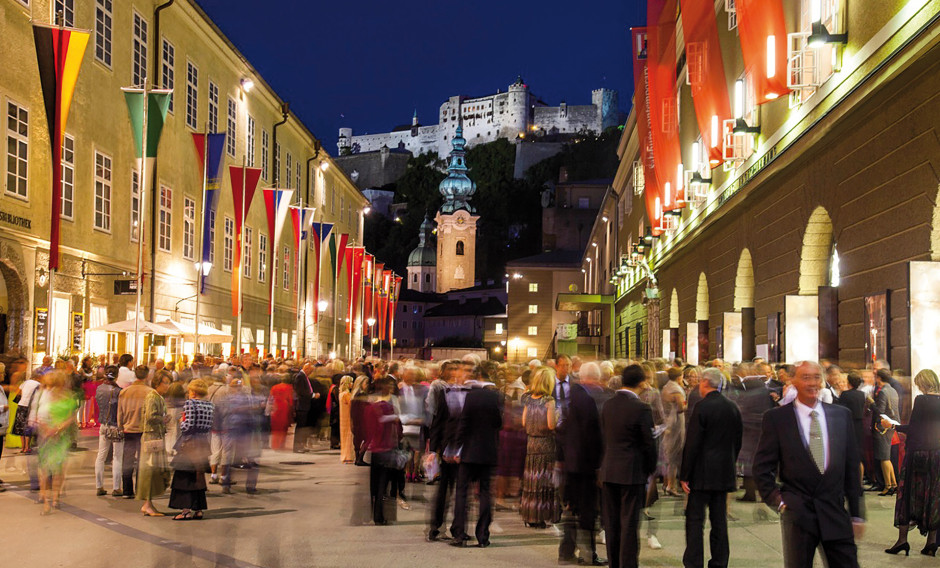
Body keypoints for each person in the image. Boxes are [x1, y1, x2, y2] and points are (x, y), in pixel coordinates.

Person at [753, 361, 864, 568]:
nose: (812, 383)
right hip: (799, 515)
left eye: (816, 377)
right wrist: (777, 500)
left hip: (835, 512)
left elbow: (851, 466)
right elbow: (762, 466)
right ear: (793, 381)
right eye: (805, 377)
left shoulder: (841, 415)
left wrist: (857, 513)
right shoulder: (777, 419)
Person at [680, 368, 743, 568]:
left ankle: (693, 561)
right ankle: (719, 561)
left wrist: (685, 474)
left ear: (705, 382)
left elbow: (693, 443)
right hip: (723, 472)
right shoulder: (732, 407)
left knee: (695, 521)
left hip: (701, 473)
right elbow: (738, 440)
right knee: (719, 521)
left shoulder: (701, 407)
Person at [600, 364, 657, 568]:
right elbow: (649, 444)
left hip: (609, 470)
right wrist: (650, 469)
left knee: (612, 523)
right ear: (641, 382)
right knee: (629, 525)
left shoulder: (609, 405)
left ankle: (614, 563)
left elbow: (604, 437)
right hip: (632, 472)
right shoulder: (641, 408)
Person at [886, 369, 940, 556]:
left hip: (919, 453)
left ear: (923, 384)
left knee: (908, 493)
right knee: (933, 495)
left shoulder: (922, 400)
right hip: (937, 454)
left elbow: (914, 428)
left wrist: (892, 426)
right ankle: (931, 543)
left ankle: (902, 541)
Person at [557, 362, 605, 565]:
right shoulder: (589, 399)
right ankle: (588, 554)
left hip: (572, 462)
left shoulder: (571, 396)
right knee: (587, 511)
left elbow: (562, 429)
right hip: (585, 464)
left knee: (571, 507)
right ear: (594, 379)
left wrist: (561, 458)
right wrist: (597, 465)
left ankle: (566, 552)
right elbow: (592, 435)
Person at [450, 375, 502, 548]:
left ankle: (459, 534)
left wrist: (457, 448)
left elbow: (463, 424)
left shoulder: (470, 397)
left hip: (469, 453)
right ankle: (483, 537)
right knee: (486, 494)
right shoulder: (496, 397)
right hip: (488, 452)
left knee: (462, 493)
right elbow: (498, 423)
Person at [169, 379, 214, 521]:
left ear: (193, 392)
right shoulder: (210, 405)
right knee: (198, 476)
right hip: (203, 443)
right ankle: (198, 509)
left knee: (184, 477)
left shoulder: (190, 403)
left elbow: (186, 426)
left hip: (189, 443)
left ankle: (186, 511)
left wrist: (181, 422)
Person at [34, 371, 78, 514]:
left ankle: (49, 500)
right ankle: (53, 498)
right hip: (55, 435)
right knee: (56, 469)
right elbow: (72, 417)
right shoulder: (67, 397)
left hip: (50, 435)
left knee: (47, 469)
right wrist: (57, 429)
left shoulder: (47, 395)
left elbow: (40, 415)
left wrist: (52, 429)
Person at [520, 366, 559, 528]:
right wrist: (558, 416)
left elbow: (523, 421)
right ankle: (540, 516)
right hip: (545, 445)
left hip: (531, 444)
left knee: (531, 481)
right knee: (543, 481)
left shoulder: (529, 399)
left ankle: (529, 515)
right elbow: (551, 425)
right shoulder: (548, 401)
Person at [137, 372, 171, 516]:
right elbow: (150, 416)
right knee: (150, 471)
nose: (167, 386)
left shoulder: (158, 397)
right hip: (151, 437)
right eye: (165, 382)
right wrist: (163, 419)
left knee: (154, 471)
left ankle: (148, 503)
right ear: (157, 383)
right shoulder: (152, 396)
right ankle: (147, 504)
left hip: (156, 436)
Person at [117, 365, 153, 499]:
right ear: (147, 375)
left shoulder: (125, 392)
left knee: (128, 460)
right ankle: (140, 488)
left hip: (129, 428)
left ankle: (127, 490)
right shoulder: (150, 392)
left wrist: (121, 426)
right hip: (144, 429)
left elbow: (119, 412)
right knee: (142, 461)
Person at [94, 366, 124, 496]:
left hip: (103, 424)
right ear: (117, 376)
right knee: (117, 457)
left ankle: (99, 486)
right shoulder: (118, 391)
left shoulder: (99, 388)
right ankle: (116, 487)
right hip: (115, 425)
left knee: (101, 456)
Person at [872, 368, 900, 496]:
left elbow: (880, 411)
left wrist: (872, 404)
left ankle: (888, 485)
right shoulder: (893, 390)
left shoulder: (883, 391)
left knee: (884, 458)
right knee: (886, 457)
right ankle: (893, 484)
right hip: (892, 426)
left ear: (879, 378)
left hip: (883, 427)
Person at [660, 367, 686, 496]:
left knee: (669, 455)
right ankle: (672, 485)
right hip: (676, 423)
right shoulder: (676, 389)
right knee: (674, 456)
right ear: (679, 376)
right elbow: (681, 407)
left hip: (668, 422)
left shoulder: (666, 387)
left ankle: (668, 484)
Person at [266, 373, 295, 450]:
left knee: (275, 427)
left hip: (275, 407)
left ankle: (274, 445)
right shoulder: (289, 387)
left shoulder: (274, 387)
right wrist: (292, 410)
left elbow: (270, 398)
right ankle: (281, 445)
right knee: (283, 427)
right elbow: (291, 399)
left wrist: (269, 408)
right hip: (285, 407)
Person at [338, 375, 355, 463]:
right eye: (351, 382)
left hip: (343, 417)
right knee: (349, 436)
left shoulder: (341, 394)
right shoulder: (347, 394)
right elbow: (352, 405)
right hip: (348, 417)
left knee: (344, 436)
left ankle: (344, 455)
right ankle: (348, 456)